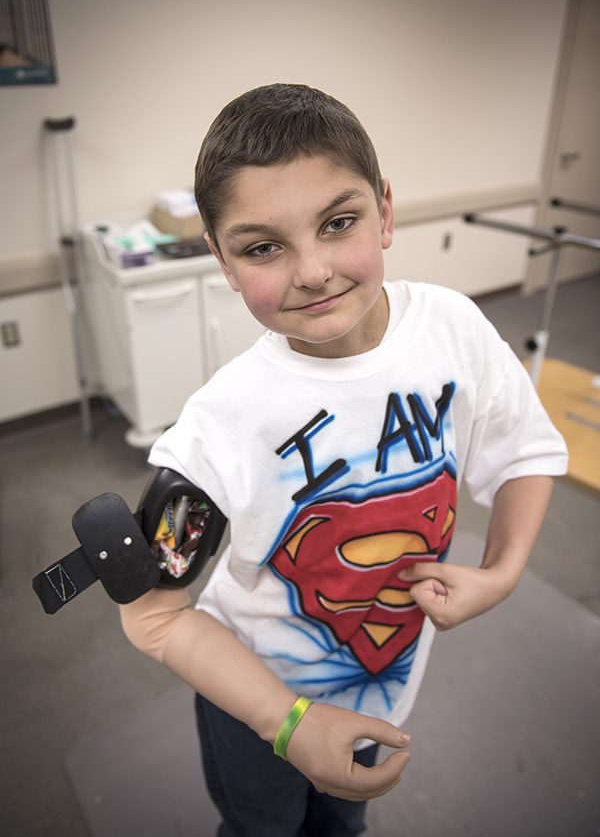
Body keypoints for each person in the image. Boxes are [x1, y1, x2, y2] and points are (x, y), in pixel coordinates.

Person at [120, 83, 568, 836]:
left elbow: (526, 444)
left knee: (342, 826)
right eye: (263, 247)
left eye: (338, 223)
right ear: (223, 262)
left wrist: (501, 570)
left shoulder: (453, 329)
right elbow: (154, 617)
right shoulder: (220, 423)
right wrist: (287, 722)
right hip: (258, 706)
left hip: (382, 694)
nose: (314, 271)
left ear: (385, 211)